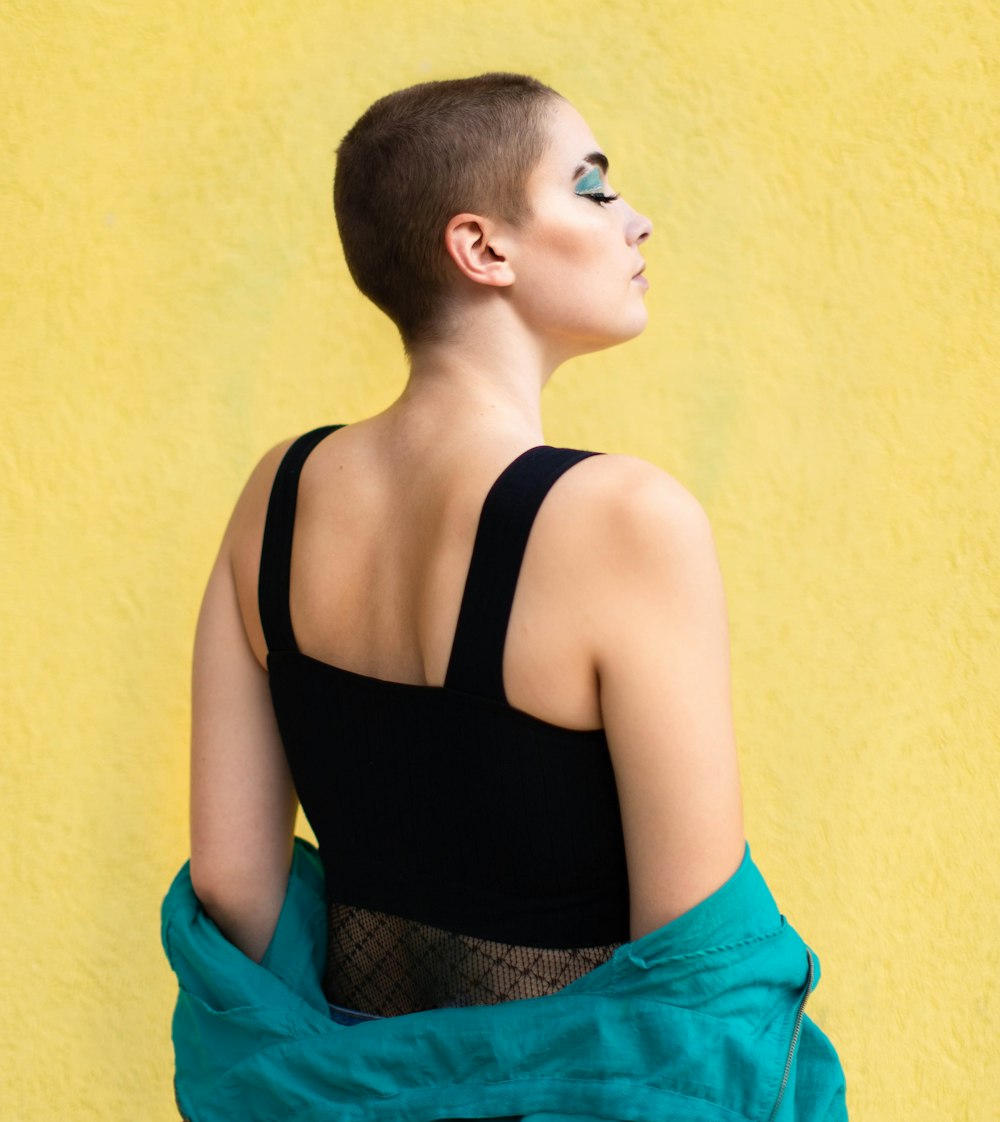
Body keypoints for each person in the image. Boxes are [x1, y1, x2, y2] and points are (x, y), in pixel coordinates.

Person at [166, 72, 847, 1120]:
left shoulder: (276, 495)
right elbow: (698, 970)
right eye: (591, 187)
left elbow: (233, 888)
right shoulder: (625, 517)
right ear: (481, 247)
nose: (635, 218)